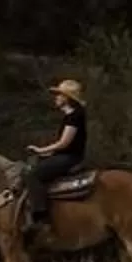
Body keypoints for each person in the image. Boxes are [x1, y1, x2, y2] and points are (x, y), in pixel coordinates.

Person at [21, 77, 88, 240]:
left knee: (33, 175)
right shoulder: (72, 116)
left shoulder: (74, 117)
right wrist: (44, 154)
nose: (56, 98)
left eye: (59, 95)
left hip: (70, 157)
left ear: (67, 98)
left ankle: (41, 217)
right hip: (67, 155)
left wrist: (41, 149)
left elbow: (64, 143)